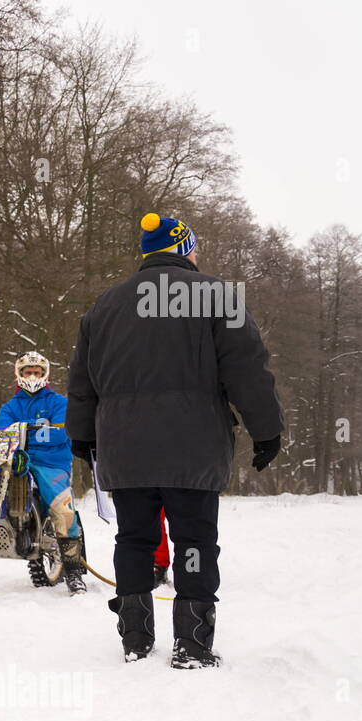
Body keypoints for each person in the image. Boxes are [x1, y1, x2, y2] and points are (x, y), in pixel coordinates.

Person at [67, 212, 283, 667]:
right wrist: (266, 430)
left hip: (123, 449)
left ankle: (135, 640)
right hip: (194, 446)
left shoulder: (104, 306)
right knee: (193, 542)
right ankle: (193, 644)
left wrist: (82, 438)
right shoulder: (217, 296)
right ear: (185, 249)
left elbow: (82, 384)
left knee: (134, 540)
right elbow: (247, 371)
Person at [0, 351, 87, 595]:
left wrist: (27, 433)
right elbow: (2, 431)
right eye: (28, 372)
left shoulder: (58, 402)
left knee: (61, 507)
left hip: (51, 462)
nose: (32, 376)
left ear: (44, 374)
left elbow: (60, 432)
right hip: (18, 459)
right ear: (19, 374)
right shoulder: (11, 406)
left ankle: (74, 572)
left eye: (36, 372)